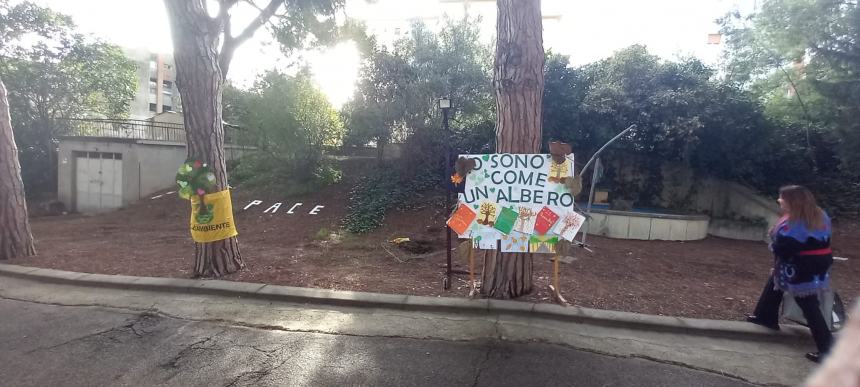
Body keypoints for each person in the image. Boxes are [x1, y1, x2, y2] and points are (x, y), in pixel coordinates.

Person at [746, 185, 834, 363]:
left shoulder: (795, 223)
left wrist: (774, 247)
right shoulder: (818, 214)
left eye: (782, 198)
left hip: (802, 264)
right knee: (777, 280)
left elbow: (786, 248)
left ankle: (828, 349)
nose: (779, 200)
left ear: (793, 201)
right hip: (817, 262)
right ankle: (765, 316)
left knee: (808, 304)